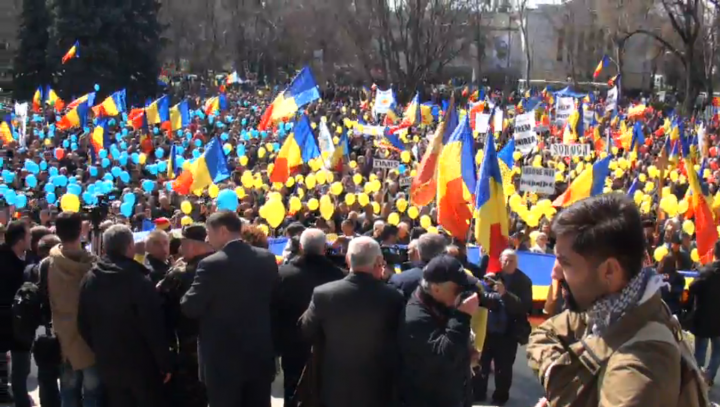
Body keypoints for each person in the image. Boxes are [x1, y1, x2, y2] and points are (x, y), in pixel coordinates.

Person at [527, 194, 688, 407]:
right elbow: (544, 334)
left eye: (565, 263)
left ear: (609, 271)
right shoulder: (607, 307)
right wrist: (555, 374)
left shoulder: (641, 367)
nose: (555, 272)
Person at [181, 211, 278, 407]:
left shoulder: (210, 265)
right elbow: (274, 300)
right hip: (259, 354)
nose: (207, 238)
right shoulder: (267, 259)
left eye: (209, 232)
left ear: (223, 231)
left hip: (222, 360)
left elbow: (191, 307)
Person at [300, 236, 404, 407]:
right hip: (379, 387)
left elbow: (306, 330)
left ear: (348, 259)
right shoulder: (393, 297)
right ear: (379, 261)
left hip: (335, 386)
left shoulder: (323, 294)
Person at [78, 225, 172, 407]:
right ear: (130, 246)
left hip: (108, 363)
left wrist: (100, 348)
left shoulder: (90, 278)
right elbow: (153, 325)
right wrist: (164, 362)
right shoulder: (138, 280)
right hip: (142, 365)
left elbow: (82, 323)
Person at [398, 255, 500, 407]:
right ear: (436, 289)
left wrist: (467, 350)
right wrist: (462, 316)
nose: (463, 294)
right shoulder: (416, 317)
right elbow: (444, 357)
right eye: (458, 289)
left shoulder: (442, 303)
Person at [273, 228, 346, 407]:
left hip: (292, 345)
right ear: (324, 249)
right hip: (328, 346)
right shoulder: (339, 276)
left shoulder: (283, 275)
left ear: (301, 248)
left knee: (293, 393)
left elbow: (273, 310)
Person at [46, 212, 102, 407]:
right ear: (81, 231)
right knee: (92, 395)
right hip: (88, 341)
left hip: (64, 337)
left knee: (68, 394)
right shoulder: (92, 266)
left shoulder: (49, 263)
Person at [157, 224, 214, 407]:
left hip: (187, 349)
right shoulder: (223, 267)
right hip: (219, 349)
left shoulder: (181, 273)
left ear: (191, 245)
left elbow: (159, 301)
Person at [475, 249, 532, 405]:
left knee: (503, 368)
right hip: (487, 330)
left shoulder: (523, 281)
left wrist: (505, 294)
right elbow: (482, 300)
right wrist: (484, 288)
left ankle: (500, 398)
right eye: (504, 260)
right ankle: (478, 393)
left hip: (508, 332)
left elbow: (524, 307)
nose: (507, 264)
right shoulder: (493, 276)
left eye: (511, 261)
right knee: (481, 364)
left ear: (517, 263)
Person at [0, 221, 31, 405]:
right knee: (19, 367)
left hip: (11, 322)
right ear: (20, 240)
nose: (30, 239)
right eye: (28, 236)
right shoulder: (15, 264)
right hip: (13, 322)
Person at [686, 240, 720, 385]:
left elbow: (693, 287)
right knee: (717, 352)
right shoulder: (707, 271)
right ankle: (709, 378)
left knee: (700, 351)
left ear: (714, 253)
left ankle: (697, 380)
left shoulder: (706, 272)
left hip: (704, 318)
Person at [389, 233, 448, 299]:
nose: (408, 253)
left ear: (418, 252)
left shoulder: (399, 280)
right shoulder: (454, 278)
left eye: (409, 250)